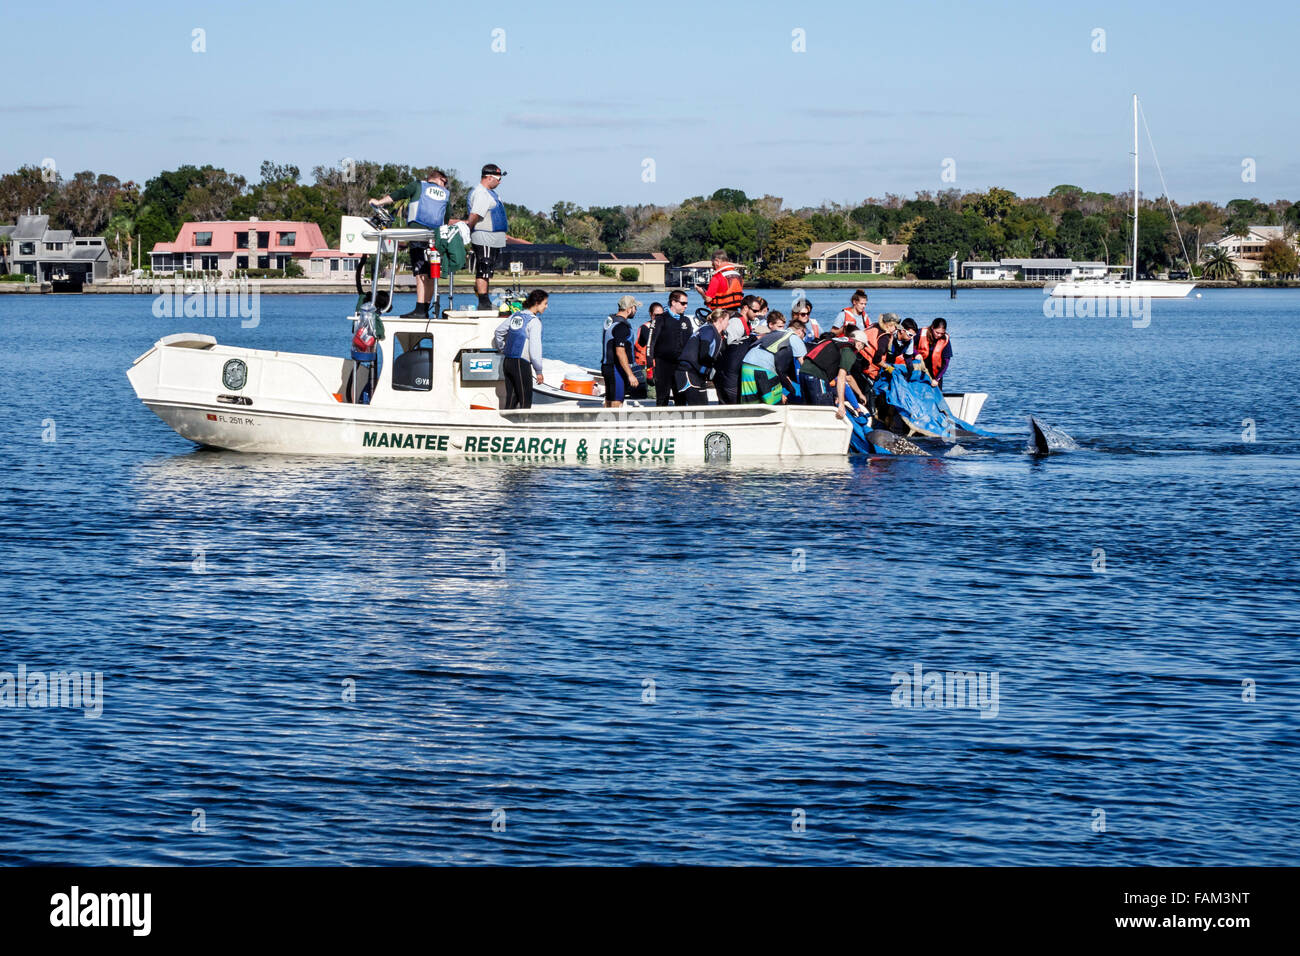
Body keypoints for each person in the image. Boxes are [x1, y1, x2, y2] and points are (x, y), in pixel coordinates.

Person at [369, 168, 450, 318]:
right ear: (439, 179)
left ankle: (419, 310)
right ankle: (425, 308)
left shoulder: (419, 185)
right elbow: (447, 217)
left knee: (420, 272)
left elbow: (400, 194)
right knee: (432, 273)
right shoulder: (445, 195)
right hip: (435, 237)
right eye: (445, 183)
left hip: (417, 234)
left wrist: (379, 202)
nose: (445, 186)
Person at [800, 329, 873, 418]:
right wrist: (841, 405)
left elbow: (848, 377)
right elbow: (841, 378)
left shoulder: (836, 341)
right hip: (817, 376)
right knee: (824, 412)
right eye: (863, 347)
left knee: (809, 409)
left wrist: (860, 394)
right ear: (859, 344)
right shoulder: (849, 351)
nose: (862, 349)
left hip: (803, 372)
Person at [465, 163, 509, 310]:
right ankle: (483, 302)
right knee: (483, 267)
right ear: (489, 178)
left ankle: (485, 299)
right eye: (498, 178)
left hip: (493, 238)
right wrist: (468, 230)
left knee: (488, 269)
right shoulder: (482, 194)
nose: (500, 181)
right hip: (484, 237)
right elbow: (475, 214)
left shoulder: (491, 193)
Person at [493, 289, 547, 409]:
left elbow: (499, 332)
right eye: (545, 303)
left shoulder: (516, 315)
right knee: (525, 400)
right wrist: (538, 370)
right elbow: (535, 349)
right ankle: (523, 425)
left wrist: (502, 348)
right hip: (521, 363)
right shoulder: (534, 322)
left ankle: (507, 425)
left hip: (508, 362)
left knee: (511, 399)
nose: (546, 306)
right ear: (537, 303)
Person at [739, 312, 806, 405]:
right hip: (763, 367)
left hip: (746, 365)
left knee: (751, 403)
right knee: (775, 402)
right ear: (800, 332)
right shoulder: (793, 337)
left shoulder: (767, 336)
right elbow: (805, 366)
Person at [714, 295, 764, 404]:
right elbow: (733, 348)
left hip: (731, 372)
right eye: (755, 311)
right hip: (726, 372)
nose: (756, 315)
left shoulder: (746, 323)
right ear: (746, 308)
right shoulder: (736, 322)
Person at [675, 308, 730, 405]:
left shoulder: (717, 334)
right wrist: (715, 363)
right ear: (721, 320)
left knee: (703, 407)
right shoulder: (708, 330)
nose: (728, 324)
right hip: (688, 372)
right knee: (698, 408)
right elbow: (703, 355)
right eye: (727, 320)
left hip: (698, 375)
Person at [650, 291, 692, 405]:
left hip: (680, 366)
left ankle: (681, 422)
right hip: (663, 365)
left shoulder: (686, 321)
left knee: (681, 398)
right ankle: (660, 422)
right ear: (673, 302)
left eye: (686, 303)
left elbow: (691, 345)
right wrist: (650, 365)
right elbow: (651, 342)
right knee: (662, 398)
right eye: (683, 303)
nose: (686, 306)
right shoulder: (660, 319)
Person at [601, 295, 642, 408]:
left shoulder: (611, 320)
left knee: (610, 399)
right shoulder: (621, 326)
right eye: (635, 308)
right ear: (629, 309)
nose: (636, 310)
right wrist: (630, 375)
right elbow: (620, 352)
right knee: (616, 401)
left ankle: (606, 423)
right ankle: (614, 424)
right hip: (616, 369)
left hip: (607, 366)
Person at [633, 301, 663, 396]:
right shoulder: (645, 328)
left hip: (661, 364)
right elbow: (655, 343)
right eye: (656, 315)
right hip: (648, 365)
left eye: (661, 315)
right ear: (651, 314)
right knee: (653, 392)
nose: (659, 317)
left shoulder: (664, 326)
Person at [915, 318, 953, 386]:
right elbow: (909, 345)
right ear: (932, 327)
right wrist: (916, 353)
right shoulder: (921, 333)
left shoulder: (945, 339)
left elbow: (946, 362)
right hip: (919, 369)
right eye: (937, 332)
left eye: (942, 333)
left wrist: (937, 379)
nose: (939, 335)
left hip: (935, 373)